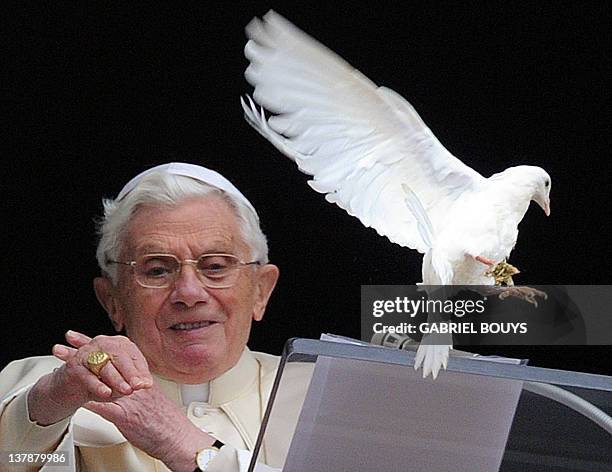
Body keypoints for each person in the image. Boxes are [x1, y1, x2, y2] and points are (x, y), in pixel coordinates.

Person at [0, 163, 312, 471]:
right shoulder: (46, 387)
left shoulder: (323, 395)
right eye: (158, 270)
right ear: (113, 301)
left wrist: (180, 442)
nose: (189, 293)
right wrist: (50, 405)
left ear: (261, 291)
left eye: (215, 266)